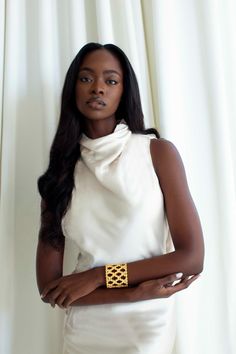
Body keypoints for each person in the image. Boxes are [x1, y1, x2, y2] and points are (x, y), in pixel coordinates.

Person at [36, 42, 204, 354]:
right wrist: (130, 293)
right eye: (86, 79)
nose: (98, 88)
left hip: (146, 327)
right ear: (73, 88)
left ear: (123, 91)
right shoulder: (59, 175)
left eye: (110, 80)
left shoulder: (156, 153)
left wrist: (98, 276)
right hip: (86, 328)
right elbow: (49, 288)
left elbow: (192, 256)